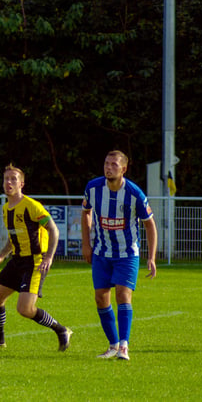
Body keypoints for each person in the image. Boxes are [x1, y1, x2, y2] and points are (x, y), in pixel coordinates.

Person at [0, 164, 73, 352]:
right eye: (6, 179)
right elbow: (13, 236)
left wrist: (49, 257)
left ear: (21, 183)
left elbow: (53, 229)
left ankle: (61, 330)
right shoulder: (6, 209)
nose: (9, 182)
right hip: (17, 260)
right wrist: (0, 257)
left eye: (13, 179)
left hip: (34, 262)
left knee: (25, 309)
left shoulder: (32, 206)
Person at [81, 150, 157, 361]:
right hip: (101, 252)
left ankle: (124, 345)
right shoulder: (93, 187)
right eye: (106, 163)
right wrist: (86, 243)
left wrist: (151, 257)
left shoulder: (134, 193)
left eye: (114, 165)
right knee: (100, 298)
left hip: (127, 253)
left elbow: (150, 225)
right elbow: (86, 212)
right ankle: (113, 345)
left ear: (123, 169)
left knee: (123, 294)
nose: (109, 168)